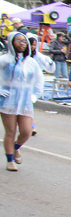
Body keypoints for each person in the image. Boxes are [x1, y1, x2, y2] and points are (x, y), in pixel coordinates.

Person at [1, 32, 43, 172]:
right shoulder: (4, 60)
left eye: (24, 41)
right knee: (10, 131)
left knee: (27, 130)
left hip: (25, 102)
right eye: (18, 40)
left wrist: (34, 96)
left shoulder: (31, 62)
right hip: (8, 101)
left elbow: (38, 80)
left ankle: (15, 148)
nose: (21, 43)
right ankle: (10, 160)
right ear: (11, 42)